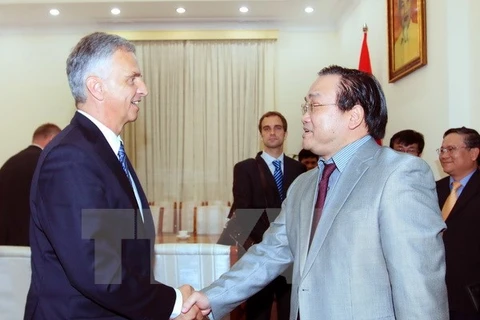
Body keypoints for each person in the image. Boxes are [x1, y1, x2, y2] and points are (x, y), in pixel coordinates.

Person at [183, 65, 449, 320]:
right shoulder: (303, 185)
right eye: (305, 106)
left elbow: (419, 287)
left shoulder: (399, 174)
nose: (304, 116)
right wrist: (209, 297)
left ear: (354, 116)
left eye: (315, 105)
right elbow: (270, 254)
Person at [24, 32, 202, 320]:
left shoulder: (101, 151)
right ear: (96, 87)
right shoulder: (71, 159)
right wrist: (173, 302)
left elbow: (122, 256)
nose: (143, 89)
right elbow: (100, 271)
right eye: (132, 79)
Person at [228, 111, 305, 320]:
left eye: (278, 127)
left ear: (285, 133)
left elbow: (301, 211)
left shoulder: (299, 169)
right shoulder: (245, 168)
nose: (272, 132)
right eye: (266, 128)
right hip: (261, 251)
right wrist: (269, 243)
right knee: (259, 310)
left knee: (290, 309)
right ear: (261, 134)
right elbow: (243, 213)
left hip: (291, 252)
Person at [436, 127, 480, 320]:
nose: (444, 155)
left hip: (472, 296)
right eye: (442, 150)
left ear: (474, 153)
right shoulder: (432, 189)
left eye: (451, 149)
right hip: (437, 294)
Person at [0, 123, 61, 246]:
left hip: (5, 248)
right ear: (51, 140)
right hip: (30, 245)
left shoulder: (10, 163)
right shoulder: (46, 164)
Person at [394, 0, 419, 70]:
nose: (405, 10)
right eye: (402, 6)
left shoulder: (418, 31)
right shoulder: (396, 46)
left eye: (407, 4)